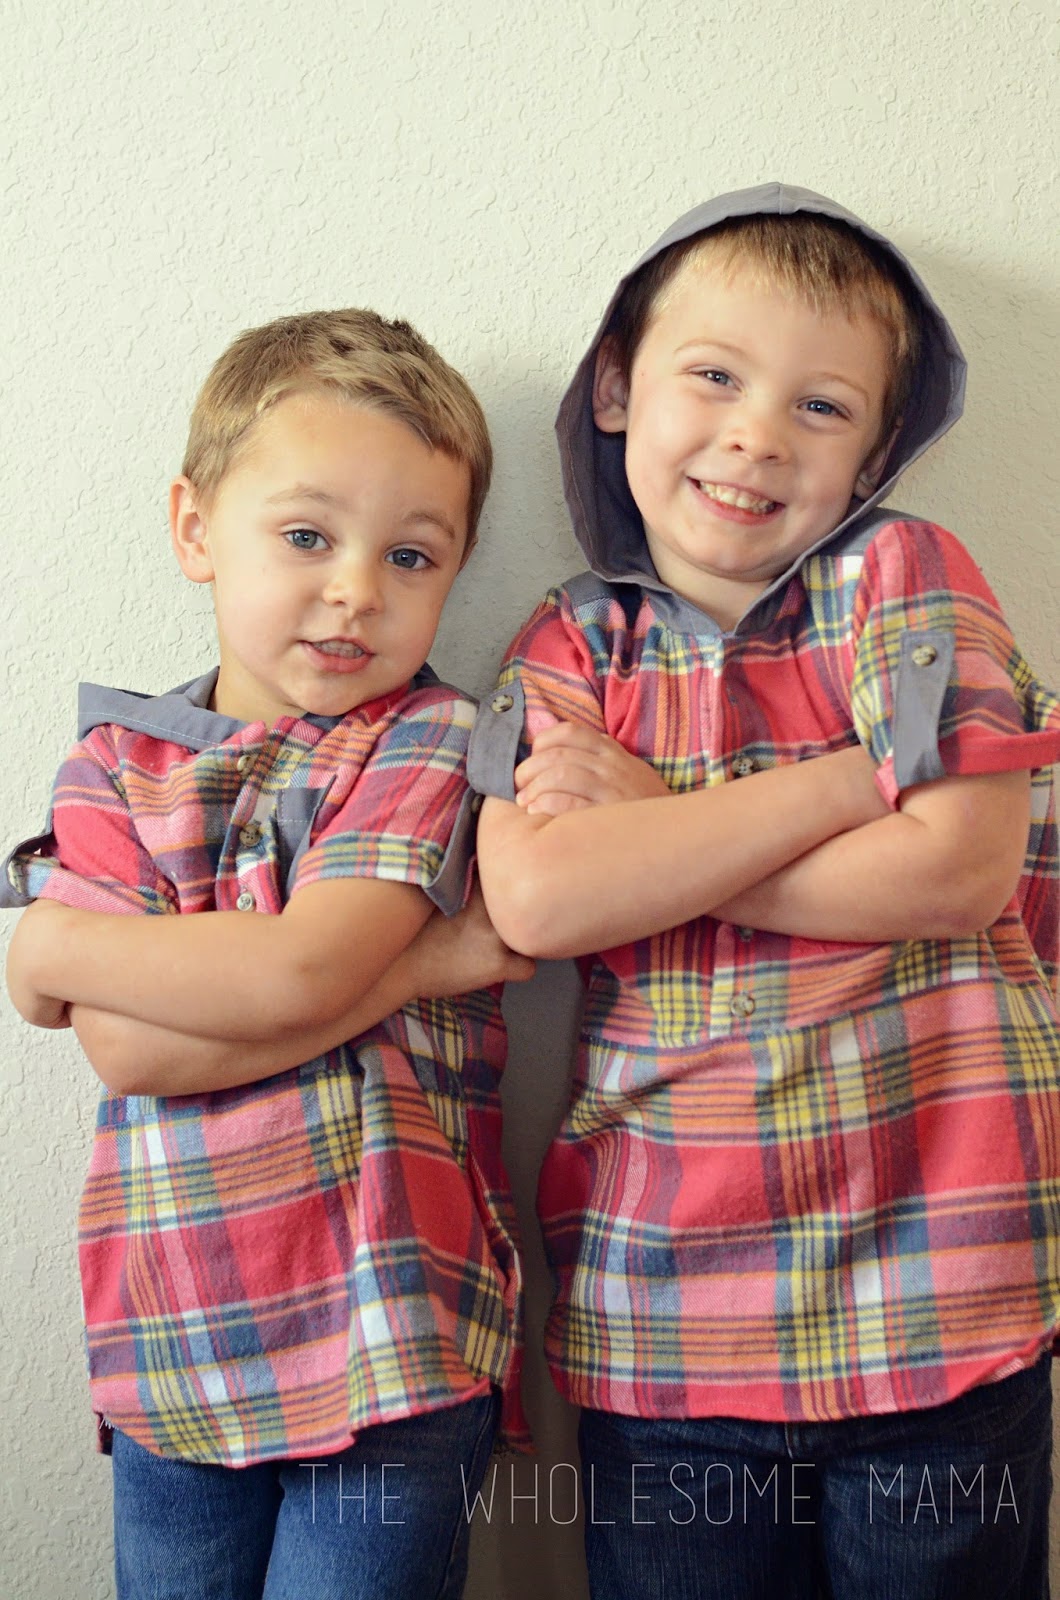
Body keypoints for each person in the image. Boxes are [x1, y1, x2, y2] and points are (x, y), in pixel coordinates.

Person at [471, 184, 1060, 1598]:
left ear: (874, 457)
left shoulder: (907, 576)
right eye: (715, 377)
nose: (755, 436)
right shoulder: (567, 647)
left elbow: (955, 868)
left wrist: (657, 829)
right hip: (668, 1312)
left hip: (943, 1288)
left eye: (821, 406)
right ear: (619, 388)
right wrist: (853, 781)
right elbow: (540, 903)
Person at [3, 307, 532, 1600]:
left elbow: (301, 973)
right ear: (196, 530)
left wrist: (62, 945)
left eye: (411, 555)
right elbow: (132, 1053)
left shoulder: (426, 739)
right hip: (175, 1335)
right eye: (307, 537)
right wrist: (417, 969)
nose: (357, 589)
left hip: (391, 1336)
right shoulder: (113, 766)